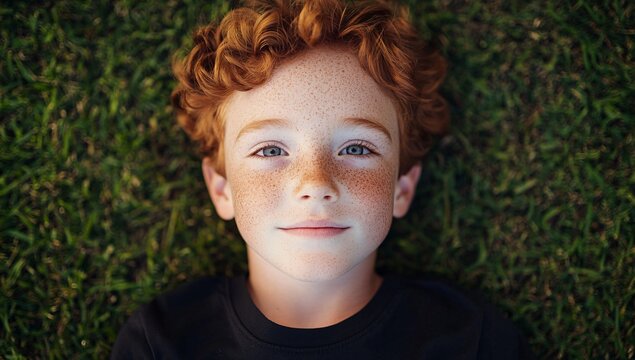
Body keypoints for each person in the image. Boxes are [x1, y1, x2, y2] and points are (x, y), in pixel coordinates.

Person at [112, 0, 533, 358]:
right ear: (222, 189)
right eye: (271, 150)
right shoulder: (163, 342)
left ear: (402, 188)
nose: (315, 182)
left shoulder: (470, 340)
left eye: (356, 149)